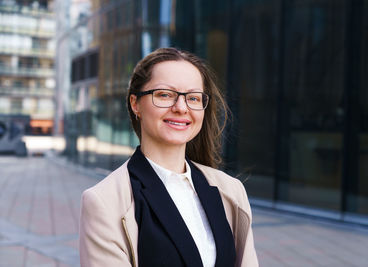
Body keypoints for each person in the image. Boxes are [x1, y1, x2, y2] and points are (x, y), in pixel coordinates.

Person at [79, 47, 259, 267]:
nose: (181, 108)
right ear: (135, 104)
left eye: (193, 98)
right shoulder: (104, 202)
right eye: (165, 95)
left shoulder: (231, 191)